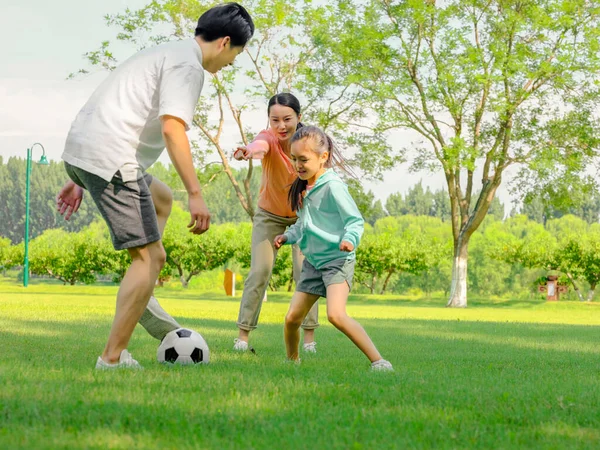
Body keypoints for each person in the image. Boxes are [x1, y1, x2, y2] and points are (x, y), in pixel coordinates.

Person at [55, 3, 255, 369]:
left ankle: (142, 290)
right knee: (151, 258)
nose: (229, 65)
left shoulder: (165, 50)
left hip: (87, 152)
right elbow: (171, 128)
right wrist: (196, 193)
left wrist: (78, 176)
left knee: (161, 199)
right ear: (225, 42)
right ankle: (112, 358)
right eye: (235, 56)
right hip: (112, 158)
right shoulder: (189, 65)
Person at [273, 126, 393, 371]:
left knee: (336, 315)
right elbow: (304, 225)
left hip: (338, 260)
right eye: (294, 159)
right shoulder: (304, 187)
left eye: (303, 159)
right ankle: (292, 362)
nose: (298, 165)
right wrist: (287, 237)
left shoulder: (333, 186)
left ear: (323, 157)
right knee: (292, 318)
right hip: (314, 263)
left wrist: (350, 239)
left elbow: (355, 221)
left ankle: (380, 362)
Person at [232, 93, 319, 353]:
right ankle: (243, 337)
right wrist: (249, 151)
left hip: (303, 215)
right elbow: (260, 146)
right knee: (259, 272)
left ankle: (310, 340)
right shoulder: (268, 137)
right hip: (269, 215)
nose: (281, 126)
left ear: (299, 118)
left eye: (287, 119)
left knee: (306, 273)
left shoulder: (309, 143)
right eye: (275, 120)